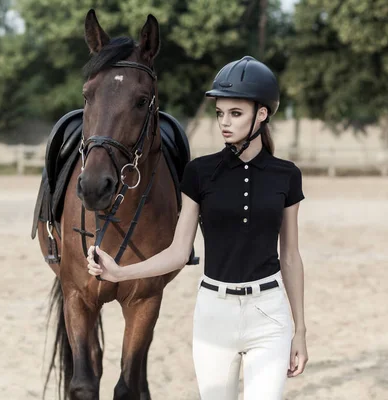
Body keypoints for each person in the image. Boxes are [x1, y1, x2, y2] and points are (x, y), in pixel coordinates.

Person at [86, 55, 307, 400]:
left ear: (261, 114)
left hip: (269, 315)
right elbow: (177, 252)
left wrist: (300, 331)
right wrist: (119, 273)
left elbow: (290, 256)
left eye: (236, 114)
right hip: (213, 314)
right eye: (220, 113)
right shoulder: (200, 173)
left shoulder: (287, 175)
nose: (225, 123)